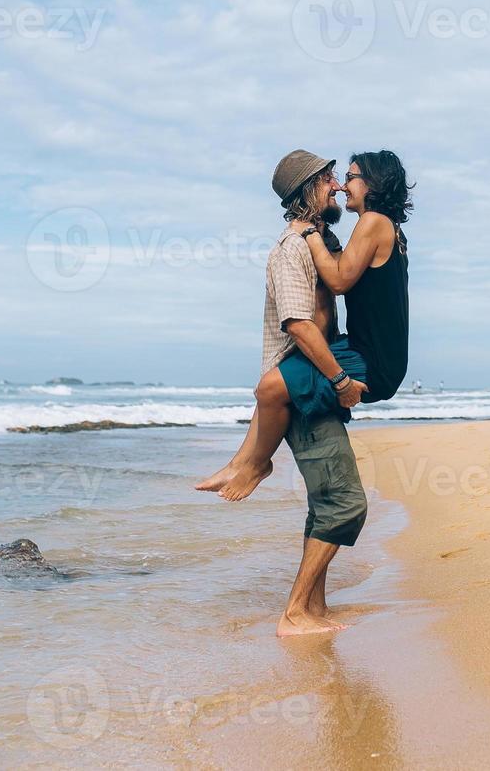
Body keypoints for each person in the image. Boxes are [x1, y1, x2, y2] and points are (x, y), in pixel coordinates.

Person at [194, 148, 412, 637]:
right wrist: (337, 378)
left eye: (348, 177)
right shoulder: (314, 242)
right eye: (334, 179)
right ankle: (251, 465)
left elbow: (335, 281)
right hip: (354, 358)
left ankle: (251, 463)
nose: (340, 185)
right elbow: (304, 317)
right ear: (310, 189)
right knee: (271, 385)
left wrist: (312, 232)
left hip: (363, 357)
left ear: (372, 185)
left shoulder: (362, 226)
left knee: (275, 393)